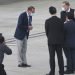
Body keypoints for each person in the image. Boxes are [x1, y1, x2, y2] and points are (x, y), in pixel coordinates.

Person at [45, 6, 64, 75]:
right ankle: (61, 72)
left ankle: (52, 72)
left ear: (50, 12)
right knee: (60, 57)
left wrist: (50, 37)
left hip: (51, 42)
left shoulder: (47, 21)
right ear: (56, 11)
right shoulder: (61, 20)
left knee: (51, 57)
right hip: (59, 41)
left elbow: (47, 32)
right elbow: (63, 31)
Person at [60, 1, 75, 69]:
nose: (63, 7)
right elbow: (61, 22)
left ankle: (71, 64)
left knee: (72, 52)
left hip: (72, 32)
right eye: (62, 6)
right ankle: (70, 63)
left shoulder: (73, 11)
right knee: (67, 52)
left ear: (68, 5)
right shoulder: (62, 12)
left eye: (64, 6)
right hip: (65, 33)